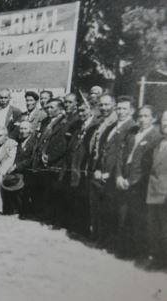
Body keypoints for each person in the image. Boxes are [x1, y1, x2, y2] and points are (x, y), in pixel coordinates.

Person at [116, 105, 161, 258]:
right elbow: (121, 157)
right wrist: (119, 176)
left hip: (139, 184)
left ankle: (136, 253)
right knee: (122, 215)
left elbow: (148, 165)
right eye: (140, 116)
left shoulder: (156, 137)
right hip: (123, 179)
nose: (142, 120)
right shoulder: (132, 133)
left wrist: (132, 181)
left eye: (146, 116)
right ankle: (123, 249)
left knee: (136, 218)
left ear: (154, 119)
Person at [90, 95, 135, 248]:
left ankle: (108, 242)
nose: (121, 111)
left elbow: (124, 155)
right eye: (119, 108)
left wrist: (111, 173)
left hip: (112, 175)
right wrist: (97, 168)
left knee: (111, 211)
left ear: (131, 111)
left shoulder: (131, 128)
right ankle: (99, 238)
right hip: (101, 173)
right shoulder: (112, 126)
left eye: (124, 109)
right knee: (101, 209)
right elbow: (102, 149)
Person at [64, 102, 99, 234]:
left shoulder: (95, 125)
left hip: (84, 166)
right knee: (75, 196)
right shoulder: (79, 125)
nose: (81, 114)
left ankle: (83, 228)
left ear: (91, 110)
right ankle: (75, 226)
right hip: (74, 165)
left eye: (84, 111)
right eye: (79, 111)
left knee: (83, 197)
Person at [32, 98, 68, 224]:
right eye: (47, 107)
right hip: (42, 158)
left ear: (60, 108)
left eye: (52, 107)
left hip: (54, 161)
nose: (48, 110)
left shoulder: (64, 121)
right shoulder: (46, 121)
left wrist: (50, 156)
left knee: (53, 190)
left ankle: (53, 217)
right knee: (44, 188)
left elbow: (63, 143)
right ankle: (44, 214)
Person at [145, 110, 167, 270]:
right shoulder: (159, 143)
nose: (165, 123)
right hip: (153, 191)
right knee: (155, 229)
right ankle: (157, 258)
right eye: (164, 120)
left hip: (165, 194)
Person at [8, 120, 37, 218]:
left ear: (31, 130)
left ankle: (24, 211)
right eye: (21, 128)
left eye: (25, 128)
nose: (23, 131)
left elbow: (31, 158)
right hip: (19, 170)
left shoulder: (34, 142)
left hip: (29, 170)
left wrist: (17, 166)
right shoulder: (19, 141)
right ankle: (14, 208)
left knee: (23, 186)